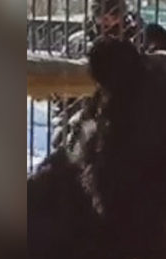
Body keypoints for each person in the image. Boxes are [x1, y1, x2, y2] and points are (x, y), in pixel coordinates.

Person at [51, 0, 145, 150]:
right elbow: (59, 96)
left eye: (114, 12)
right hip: (81, 120)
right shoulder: (77, 43)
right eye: (101, 12)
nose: (107, 18)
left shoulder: (139, 42)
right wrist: (62, 123)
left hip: (126, 122)